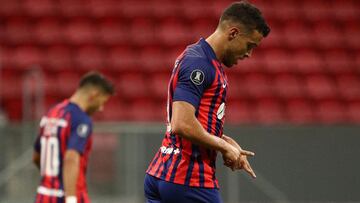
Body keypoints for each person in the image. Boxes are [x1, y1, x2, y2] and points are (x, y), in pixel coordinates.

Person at [144, 1, 270, 203]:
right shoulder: (199, 65)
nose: (249, 54)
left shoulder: (199, 57)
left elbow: (195, 120)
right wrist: (222, 146)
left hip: (163, 173)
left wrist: (227, 142)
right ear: (234, 33)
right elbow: (181, 123)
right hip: (188, 178)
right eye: (250, 45)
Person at [33, 72, 114, 203]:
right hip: (66, 195)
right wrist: (71, 199)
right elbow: (71, 158)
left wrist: (52, 177)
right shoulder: (81, 119)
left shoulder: (51, 113)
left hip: (43, 195)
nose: (101, 108)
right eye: (102, 102)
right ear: (94, 94)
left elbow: (36, 157)